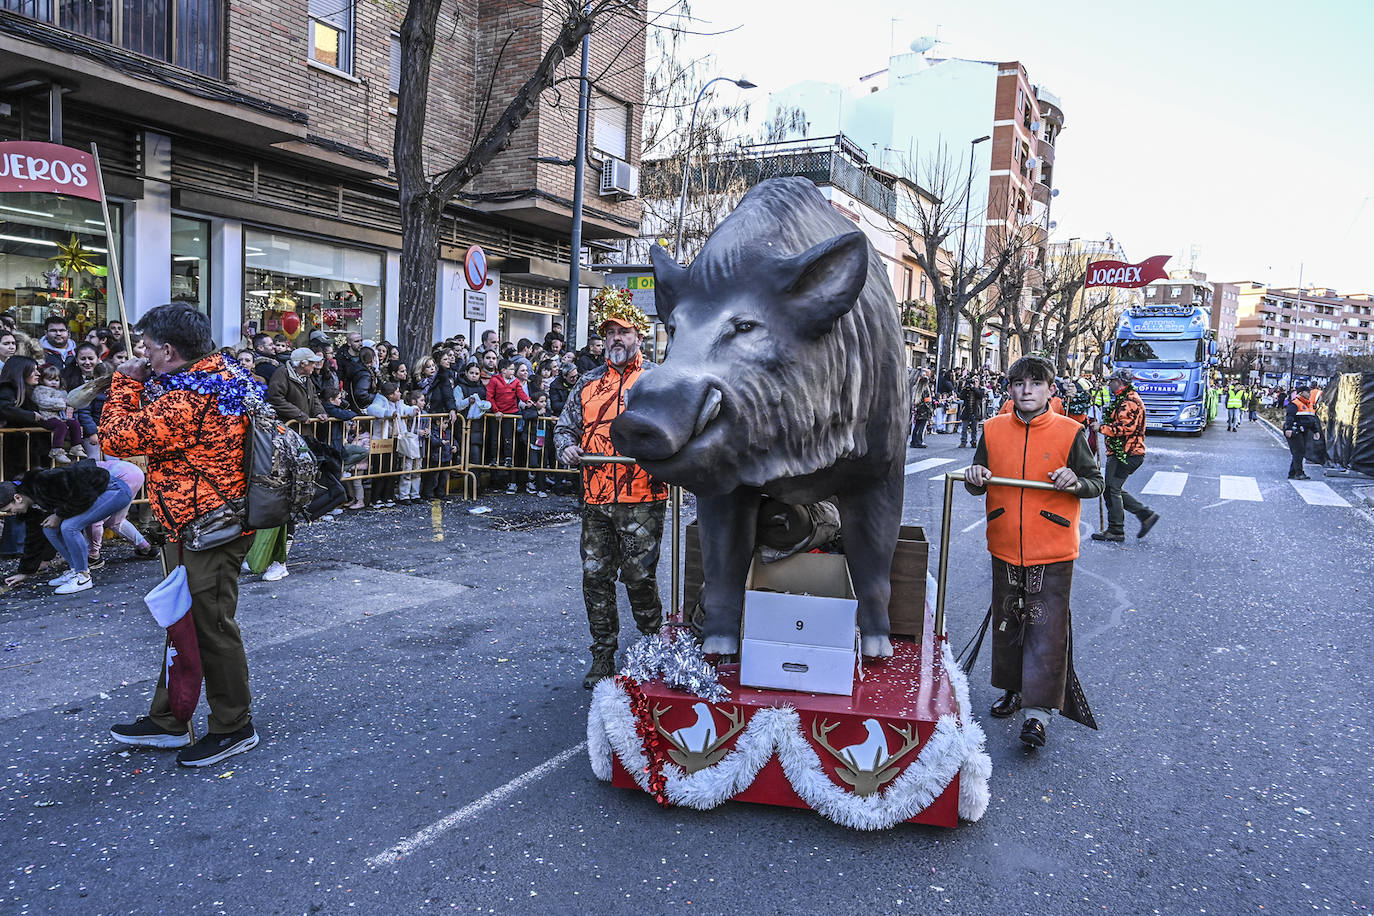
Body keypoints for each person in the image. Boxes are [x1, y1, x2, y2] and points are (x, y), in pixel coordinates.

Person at [99, 302, 261, 767]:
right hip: (195, 521)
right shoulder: (222, 373)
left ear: (169, 350)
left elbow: (116, 439)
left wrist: (126, 382)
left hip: (208, 527)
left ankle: (233, 725)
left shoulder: (188, 399)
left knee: (210, 626)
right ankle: (172, 717)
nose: (143, 354)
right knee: (182, 623)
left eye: (147, 347)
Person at [963, 355, 1104, 748]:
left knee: (1045, 628)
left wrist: (1075, 479)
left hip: (1053, 548)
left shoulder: (1070, 432)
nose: (1027, 390)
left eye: (1036, 383)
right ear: (1009, 389)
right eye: (1019, 383)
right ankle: (1011, 690)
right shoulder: (991, 430)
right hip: (1005, 542)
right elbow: (977, 480)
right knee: (1008, 623)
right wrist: (975, 478)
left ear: (1050, 390)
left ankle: (1038, 714)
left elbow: (1095, 483)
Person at [554, 301, 668, 689]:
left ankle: (655, 645)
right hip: (596, 498)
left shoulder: (658, 380)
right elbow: (564, 428)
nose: (615, 339)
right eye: (609, 334)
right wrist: (566, 446)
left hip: (643, 495)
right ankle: (603, 653)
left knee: (638, 576)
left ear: (639, 336)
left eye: (623, 332)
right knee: (595, 576)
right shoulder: (587, 382)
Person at [0, 460, 134, 594]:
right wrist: (25, 572)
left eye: (9, 509)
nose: (10, 514)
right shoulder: (31, 507)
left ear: (17, 498)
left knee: (69, 527)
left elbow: (83, 493)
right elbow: (33, 538)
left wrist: (58, 515)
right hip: (94, 495)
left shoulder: (44, 481)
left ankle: (83, 577)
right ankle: (75, 570)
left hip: (114, 490)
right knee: (49, 528)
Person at [1090, 367, 1159, 543]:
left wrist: (1102, 428)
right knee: (1114, 488)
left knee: (1111, 489)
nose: (1109, 384)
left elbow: (1127, 428)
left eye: (1111, 381)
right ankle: (1145, 515)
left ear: (1119, 382)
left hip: (1127, 454)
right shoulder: (1124, 399)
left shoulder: (1129, 402)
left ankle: (1116, 530)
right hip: (1125, 452)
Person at [33, 364, 85, 464]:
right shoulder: (40, 390)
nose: (53, 382)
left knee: (74, 423)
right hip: (46, 417)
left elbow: (70, 404)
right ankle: (56, 450)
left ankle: (76, 445)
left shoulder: (62, 392)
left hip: (60, 417)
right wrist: (62, 403)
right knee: (61, 426)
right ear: (42, 380)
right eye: (50, 379)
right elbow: (43, 402)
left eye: (56, 380)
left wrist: (72, 405)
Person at [266, 348, 328, 429]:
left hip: (303, 428)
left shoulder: (306, 378)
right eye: (312, 362)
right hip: (287, 429)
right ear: (302, 364)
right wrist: (299, 415)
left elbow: (314, 397)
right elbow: (276, 399)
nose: (314, 365)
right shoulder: (282, 374)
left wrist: (319, 412)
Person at [1283, 386, 1319, 480]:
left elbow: (1311, 419)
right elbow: (1289, 417)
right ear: (1301, 392)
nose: (1309, 394)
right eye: (1308, 392)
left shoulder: (1309, 404)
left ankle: (1293, 473)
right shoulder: (1295, 403)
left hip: (1304, 430)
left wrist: (1315, 431)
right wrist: (1288, 428)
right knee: (1298, 452)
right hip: (1295, 430)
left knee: (1299, 452)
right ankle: (1299, 473)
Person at [958, 373, 985, 448]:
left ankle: (974, 441)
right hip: (966, 410)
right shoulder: (967, 389)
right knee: (964, 428)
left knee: (974, 429)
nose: (974, 383)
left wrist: (974, 388)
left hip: (975, 411)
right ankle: (963, 442)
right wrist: (965, 388)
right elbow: (961, 397)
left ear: (978, 382)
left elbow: (980, 396)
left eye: (976, 381)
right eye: (973, 381)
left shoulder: (980, 389)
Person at [910, 367, 933, 448]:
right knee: (921, 428)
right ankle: (919, 441)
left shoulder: (916, 389)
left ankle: (913, 441)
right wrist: (930, 411)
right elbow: (928, 402)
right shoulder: (926, 390)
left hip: (918, 411)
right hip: (924, 412)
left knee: (916, 427)